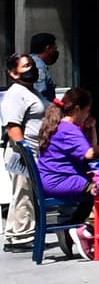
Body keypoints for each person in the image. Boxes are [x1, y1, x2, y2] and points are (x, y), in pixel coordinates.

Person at [35, 87, 99, 258]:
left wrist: (92, 128)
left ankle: (70, 227)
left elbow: (86, 150)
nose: (87, 115)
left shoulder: (60, 125)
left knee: (95, 186)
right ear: (77, 110)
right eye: (87, 111)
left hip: (49, 179)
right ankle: (85, 230)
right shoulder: (69, 130)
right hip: (60, 181)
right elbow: (89, 154)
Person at [2, 53, 48, 251]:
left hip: (33, 151)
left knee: (23, 193)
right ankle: (22, 237)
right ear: (13, 73)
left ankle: (15, 234)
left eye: (32, 65)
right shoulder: (16, 94)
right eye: (26, 66)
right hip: (22, 154)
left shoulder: (31, 91)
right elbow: (12, 126)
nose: (32, 69)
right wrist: (25, 150)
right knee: (24, 193)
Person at [29, 32, 57, 103]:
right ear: (47, 48)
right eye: (54, 48)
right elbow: (40, 94)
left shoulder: (30, 61)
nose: (55, 52)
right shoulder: (39, 67)